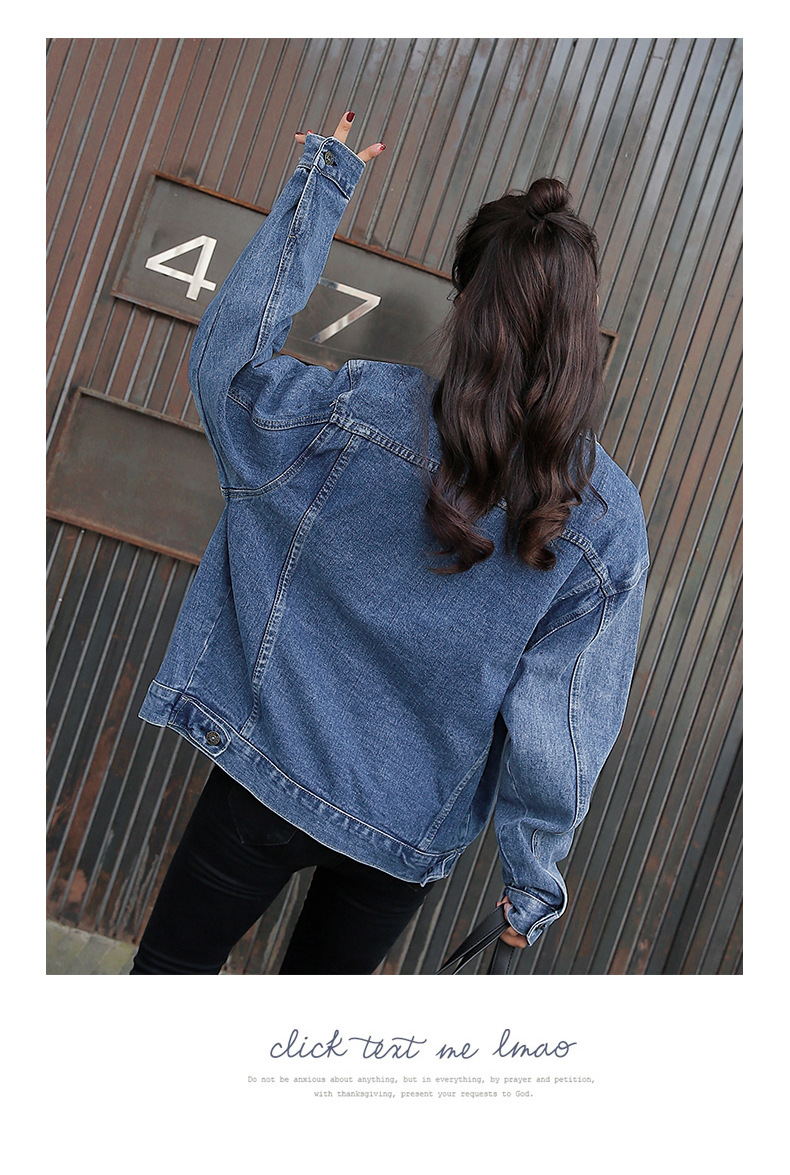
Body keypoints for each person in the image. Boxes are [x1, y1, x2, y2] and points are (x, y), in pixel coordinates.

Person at [130, 110, 649, 975]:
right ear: (578, 328)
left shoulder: (361, 410)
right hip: (403, 835)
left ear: (466, 300)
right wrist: (531, 880)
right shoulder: (604, 517)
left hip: (266, 767)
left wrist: (319, 188)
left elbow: (230, 373)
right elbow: (560, 716)